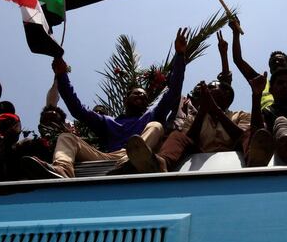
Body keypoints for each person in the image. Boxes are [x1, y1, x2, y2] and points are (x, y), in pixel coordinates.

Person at [22, 28, 189, 179]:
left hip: (139, 155)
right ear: (125, 99)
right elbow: (77, 110)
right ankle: (62, 171)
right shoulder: (109, 122)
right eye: (136, 93)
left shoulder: (151, 115)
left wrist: (180, 56)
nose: (141, 96)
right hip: (110, 158)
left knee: (156, 126)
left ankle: (133, 161)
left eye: (144, 96)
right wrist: (62, 76)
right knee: (67, 138)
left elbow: (173, 91)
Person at [127, 80, 252, 172]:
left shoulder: (242, 115)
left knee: (252, 132)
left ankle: (254, 159)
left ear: (225, 94)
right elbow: (189, 138)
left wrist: (216, 110)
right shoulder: (193, 118)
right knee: (177, 135)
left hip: (232, 150)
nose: (206, 91)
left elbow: (242, 135)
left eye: (211, 87)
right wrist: (202, 112)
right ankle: (161, 163)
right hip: (201, 152)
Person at [229, 18, 287, 108]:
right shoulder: (260, 82)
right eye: (273, 62)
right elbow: (238, 60)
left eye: (281, 60)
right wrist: (235, 33)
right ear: (270, 70)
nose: (277, 62)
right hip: (265, 120)